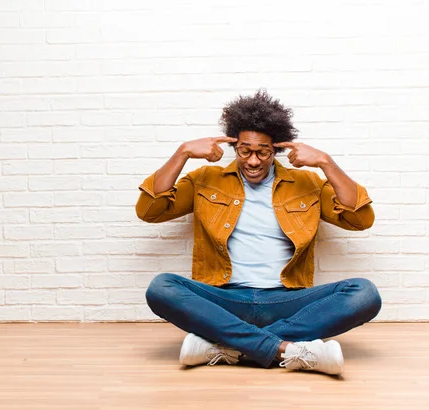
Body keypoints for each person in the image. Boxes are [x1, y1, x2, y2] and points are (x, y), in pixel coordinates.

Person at [135, 90, 381, 376]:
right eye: (244, 151)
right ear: (234, 147)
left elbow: (361, 218)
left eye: (262, 152)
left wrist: (326, 162)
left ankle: (229, 347)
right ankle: (287, 350)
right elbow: (149, 210)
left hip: (286, 301)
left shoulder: (307, 183)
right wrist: (183, 153)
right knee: (160, 287)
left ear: (275, 149)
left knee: (365, 294)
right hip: (224, 299)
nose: (253, 161)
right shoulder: (206, 180)